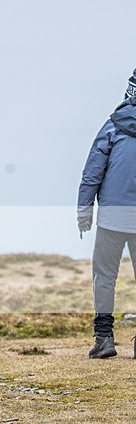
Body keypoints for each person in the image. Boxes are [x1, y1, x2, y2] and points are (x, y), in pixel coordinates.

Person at [78, 68, 136, 359]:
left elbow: (92, 173)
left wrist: (83, 213)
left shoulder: (112, 126)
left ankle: (104, 339)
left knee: (104, 277)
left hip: (112, 217)